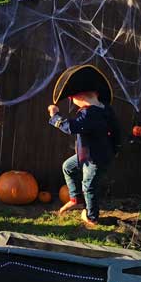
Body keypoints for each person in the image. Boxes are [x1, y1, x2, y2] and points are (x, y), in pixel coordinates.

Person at [46, 64, 121, 227]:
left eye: (71, 97)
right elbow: (116, 131)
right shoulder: (105, 109)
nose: (71, 100)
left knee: (89, 186)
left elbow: (71, 127)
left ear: (79, 96)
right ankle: (76, 199)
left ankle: (92, 217)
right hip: (91, 154)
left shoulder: (90, 113)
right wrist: (115, 149)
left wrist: (54, 116)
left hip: (94, 159)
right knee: (68, 167)